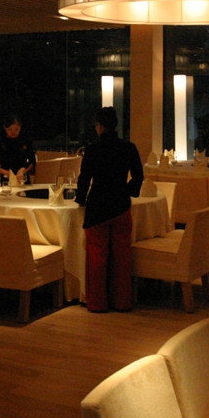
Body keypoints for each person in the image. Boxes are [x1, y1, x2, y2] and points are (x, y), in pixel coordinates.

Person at [74, 107, 143, 312]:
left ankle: (97, 304)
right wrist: (128, 191)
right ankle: (122, 302)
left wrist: (80, 199)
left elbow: (84, 179)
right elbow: (138, 176)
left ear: (99, 126)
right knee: (121, 257)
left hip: (98, 207)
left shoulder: (92, 150)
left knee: (97, 256)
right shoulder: (129, 148)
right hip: (121, 205)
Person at [0, 114, 36, 180]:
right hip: (6, 178)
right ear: (5, 128)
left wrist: (23, 170)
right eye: (10, 129)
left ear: (20, 127)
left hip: (22, 178)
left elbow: (32, 161)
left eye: (16, 129)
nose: (13, 132)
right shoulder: (0, 142)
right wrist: (2, 171)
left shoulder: (25, 141)